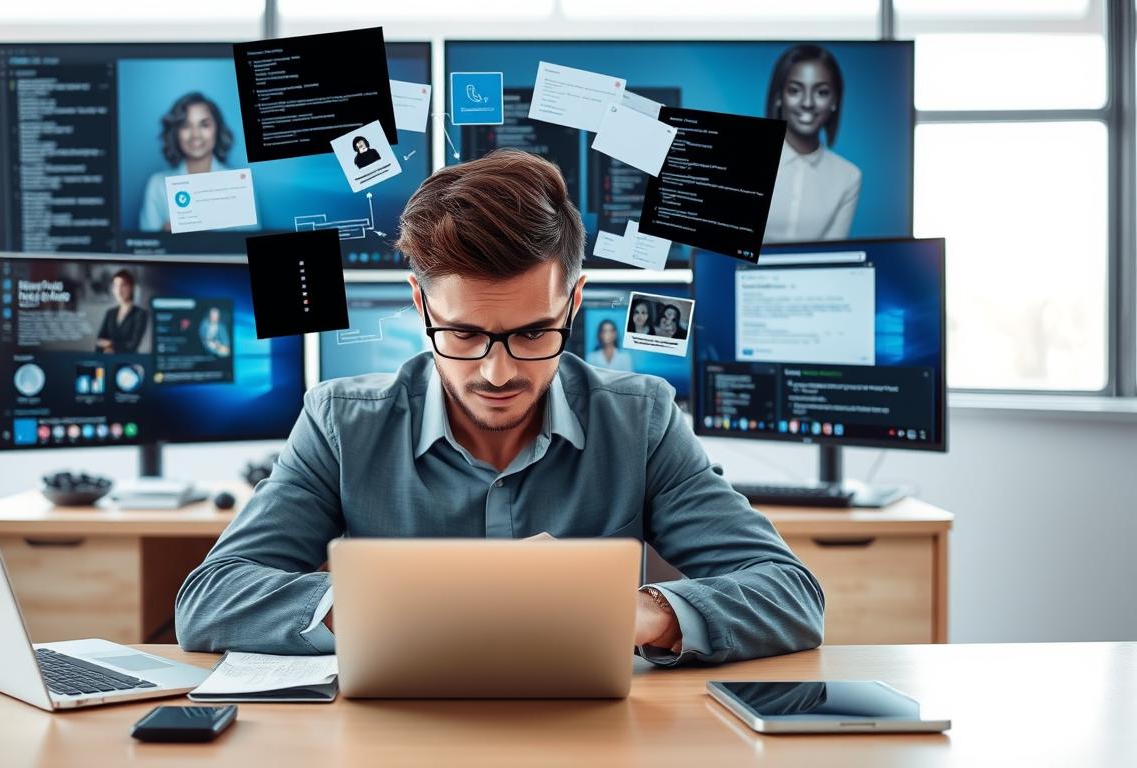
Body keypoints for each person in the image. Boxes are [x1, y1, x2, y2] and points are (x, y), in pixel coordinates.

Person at [176, 148, 824, 666]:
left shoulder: (641, 417)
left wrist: (637, 611)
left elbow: (791, 593)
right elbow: (209, 600)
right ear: (421, 305)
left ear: (573, 305)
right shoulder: (340, 420)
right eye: (463, 335)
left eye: (533, 333)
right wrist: (418, 603)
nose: (498, 372)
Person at [763, 44, 862, 243]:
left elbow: (828, 257)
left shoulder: (849, 177)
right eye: (794, 90)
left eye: (821, 93)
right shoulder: (741, 158)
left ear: (835, 101)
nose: (807, 103)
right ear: (779, 97)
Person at [139, 92, 235, 232]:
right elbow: (144, 248)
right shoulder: (157, 185)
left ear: (217, 129)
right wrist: (164, 233)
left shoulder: (238, 184)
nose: (195, 135)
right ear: (175, 133)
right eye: (185, 125)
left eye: (204, 125)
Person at [95, 269, 148, 354]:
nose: (119, 290)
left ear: (131, 287)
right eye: (116, 286)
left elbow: (133, 345)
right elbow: (99, 341)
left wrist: (110, 344)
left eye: (123, 285)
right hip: (107, 360)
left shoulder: (140, 314)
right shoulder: (110, 313)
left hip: (129, 362)